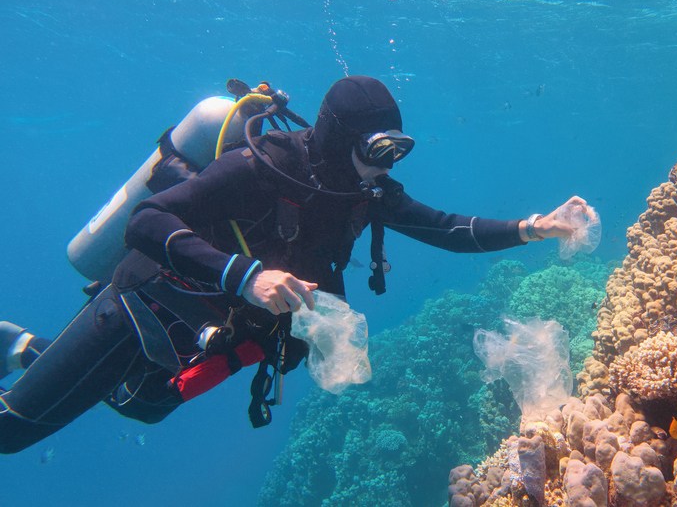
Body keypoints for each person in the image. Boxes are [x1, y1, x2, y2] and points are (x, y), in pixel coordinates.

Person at [0, 75, 594, 454]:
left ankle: (27, 348)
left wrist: (532, 228)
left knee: (145, 405)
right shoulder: (260, 168)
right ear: (340, 139)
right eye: (377, 149)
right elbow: (146, 222)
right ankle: (31, 357)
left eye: (398, 149)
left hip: (217, 323)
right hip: (144, 304)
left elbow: (445, 229)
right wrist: (246, 276)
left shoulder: (367, 191)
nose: (387, 165)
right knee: (15, 432)